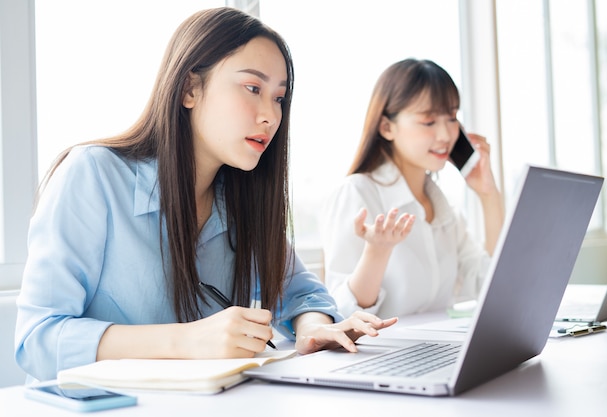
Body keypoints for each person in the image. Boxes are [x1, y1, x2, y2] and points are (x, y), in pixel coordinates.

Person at [15, 7, 396, 383]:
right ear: (189, 89)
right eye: (253, 88)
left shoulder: (241, 199)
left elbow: (302, 292)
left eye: (279, 98)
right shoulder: (93, 174)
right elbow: (37, 340)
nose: (270, 115)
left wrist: (313, 328)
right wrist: (188, 340)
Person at [320, 58, 504, 319]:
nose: (445, 135)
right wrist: (377, 252)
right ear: (387, 127)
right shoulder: (357, 194)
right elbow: (342, 311)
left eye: (452, 118)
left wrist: (488, 196)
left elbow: (488, 283)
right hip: (382, 355)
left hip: (437, 350)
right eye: (428, 122)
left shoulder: (443, 210)